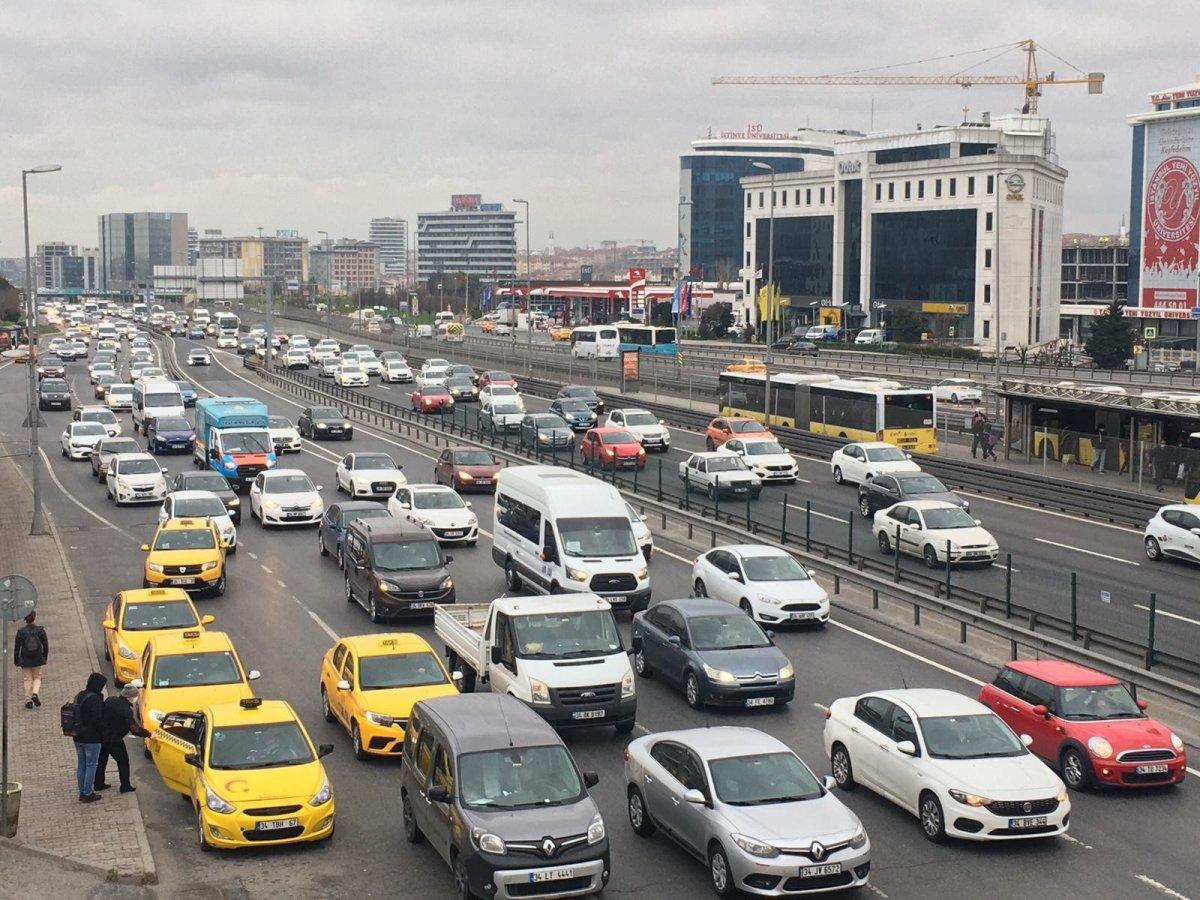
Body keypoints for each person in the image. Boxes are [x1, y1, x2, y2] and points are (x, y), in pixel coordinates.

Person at [94, 683, 151, 794]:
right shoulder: (126, 710)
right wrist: (148, 734)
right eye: (135, 696)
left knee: (102, 760)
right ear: (129, 697)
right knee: (123, 762)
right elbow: (134, 729)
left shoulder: (111, 700)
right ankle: (125, 786)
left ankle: (98, 783)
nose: (136, 698)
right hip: (114, 739)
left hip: (103, 736)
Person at [72, 672, 107, 803]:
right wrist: (103, 733)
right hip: (92, 739)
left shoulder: (80, 695)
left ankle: (82, 791)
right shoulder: (95, 699)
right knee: (92, 765)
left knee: (81, 765)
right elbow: (97, 719)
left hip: (77, 736)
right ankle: (87, 793)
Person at [14, 610, 48, 709]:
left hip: (25, 658)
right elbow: (45, 644)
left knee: (27, 679)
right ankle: (35, 693)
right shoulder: (40, 630)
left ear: (25, 619)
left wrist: (16, 659)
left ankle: (28, 701)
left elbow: (17, 647)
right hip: (37, 658)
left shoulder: (21, 632)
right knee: (37, 677)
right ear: (34, 617)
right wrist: (44, 656)